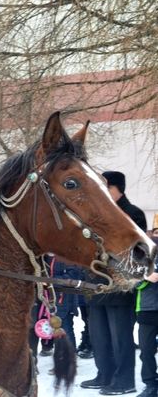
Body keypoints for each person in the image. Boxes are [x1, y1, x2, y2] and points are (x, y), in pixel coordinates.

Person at [81, 170, 147, 395]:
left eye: (106, 186)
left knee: (121, 338)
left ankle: (124, 380)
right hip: (96, 286)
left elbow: (134, 251)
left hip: (119, 287)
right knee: (99, 337)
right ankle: (104, 374)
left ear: (119, 189)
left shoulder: (133, 214)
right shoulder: (96, 215)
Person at [133, 217, 158, 397]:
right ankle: (150, 384)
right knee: (146, 350)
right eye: (156, 232)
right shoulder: (143, 255)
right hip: (147, 310)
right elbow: (131, 282)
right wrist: (145, 278)